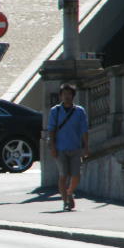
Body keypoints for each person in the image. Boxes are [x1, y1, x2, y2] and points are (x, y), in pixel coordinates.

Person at [48, 83, 89, 211]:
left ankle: (70, 191)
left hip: (76, 147)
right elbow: (51, 130)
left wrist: (86, 146)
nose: (67, 96)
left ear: (73, 96)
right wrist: (53, 147)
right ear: (60, 96)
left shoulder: (79, 111)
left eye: (69, 94)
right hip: (60, 148)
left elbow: (84, 130)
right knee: (63, 175)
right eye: (64, 94)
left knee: (76, 176)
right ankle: (65, 200)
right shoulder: (55, 111)